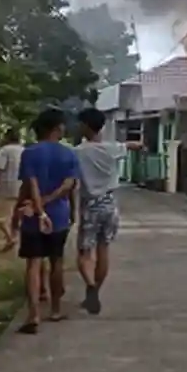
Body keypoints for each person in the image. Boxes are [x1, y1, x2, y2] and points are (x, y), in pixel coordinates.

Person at [16, 107, 79, 334]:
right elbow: (68, 186)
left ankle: (33, 314)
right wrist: (70, 210)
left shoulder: (29, 153)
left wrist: (36, 207)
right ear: (57, 128)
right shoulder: (69, 154)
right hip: (59, 215)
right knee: (56, 262)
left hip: (33, 216)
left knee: (33, 264)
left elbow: (29, 184)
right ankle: (55, 309)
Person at [73, 107, 141, 315]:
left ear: (85, 126)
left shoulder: (78, 152)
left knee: (84, 253)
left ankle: (90, 286)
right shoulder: (113, 148)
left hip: (90, 206)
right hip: (110, 204)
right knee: (104, 250)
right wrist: (140, 144)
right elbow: (132, 145)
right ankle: (94, 291)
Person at [0, 128, 24, 249]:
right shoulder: (24, 150)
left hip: (7, 187)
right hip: (23, 187)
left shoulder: (5, 150)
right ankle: (14, 238)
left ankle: (10, 238)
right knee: (16, 216)